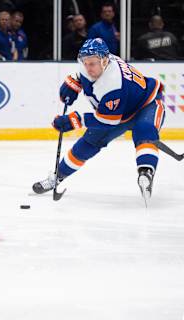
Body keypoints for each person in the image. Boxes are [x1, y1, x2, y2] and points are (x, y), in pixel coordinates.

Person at [33, 38, 166, 205]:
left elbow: (107, 121)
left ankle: (145, 174)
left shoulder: (113, 83)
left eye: (92, 64)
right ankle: (57, 177)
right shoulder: (97, 61)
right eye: (85, 63)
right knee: (88, 143)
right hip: (120, 110)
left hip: (147, 104)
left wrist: (75, 120)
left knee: (144, 129)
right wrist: (74, 81)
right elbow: (83, 73)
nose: (88, 68)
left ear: (104, 61)